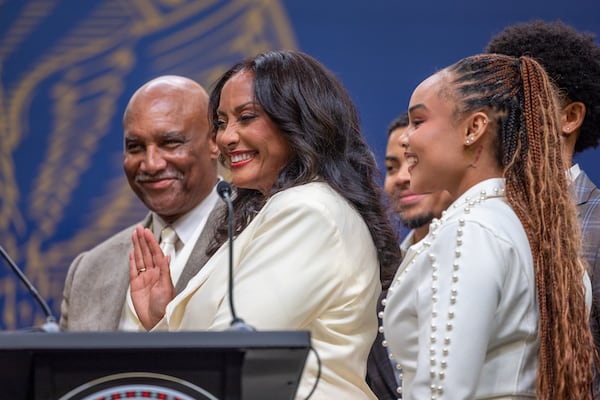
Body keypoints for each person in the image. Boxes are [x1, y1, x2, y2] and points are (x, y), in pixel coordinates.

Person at [127, 50, 401, 399]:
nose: (226, 138)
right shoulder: (284, 208)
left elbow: (233, 350)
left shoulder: (308, 211)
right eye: (222, 122)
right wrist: (163, 319)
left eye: (246, 117)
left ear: (298, 119)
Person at [383, 54, 595, 399]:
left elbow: (441, 392)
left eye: (418, 121)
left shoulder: (471, 232)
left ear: (473, 128)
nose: (406, 139)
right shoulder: (535, 231)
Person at [60, 75, 222, 331]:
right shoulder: (88, 270)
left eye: (170, 143)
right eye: (135, 147)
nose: (151, 164)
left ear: (214, 141)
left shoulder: (254, 235)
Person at [485, 19, 600, 352]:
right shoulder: (478, 212)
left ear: (570, 117)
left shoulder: (596, 219)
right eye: (494, 102)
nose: (500, 117)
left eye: (522, 102)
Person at [367, 113, 452, 399]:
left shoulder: (484, 254)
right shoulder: (376, 273)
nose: (402, 178)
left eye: (415, 161)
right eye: (392, 167)